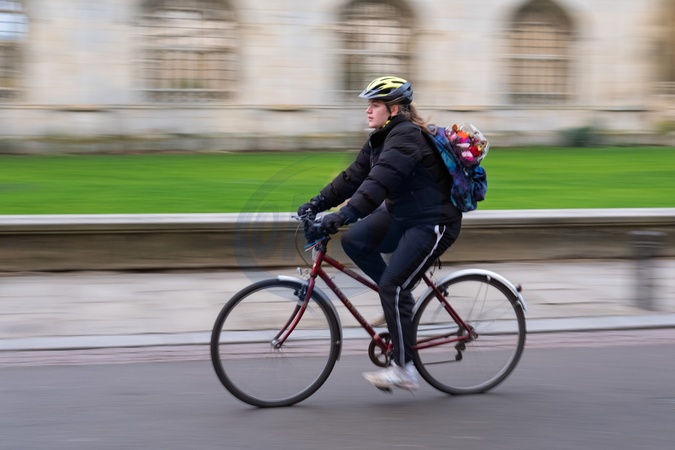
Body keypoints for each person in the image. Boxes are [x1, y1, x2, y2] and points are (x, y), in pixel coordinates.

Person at [297, 76, 462, 391]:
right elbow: (353, 177)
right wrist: (316, 203)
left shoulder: (406, 138)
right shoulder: (381, 138)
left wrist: (343, 215)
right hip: (403, 214)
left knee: (393, 285)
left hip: (432, 221)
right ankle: (395, 301)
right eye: (369, 104)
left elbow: (379, 184)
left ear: (394, 109)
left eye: (375, 104)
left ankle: (404, 369)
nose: (368, 110)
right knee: (354, 241)